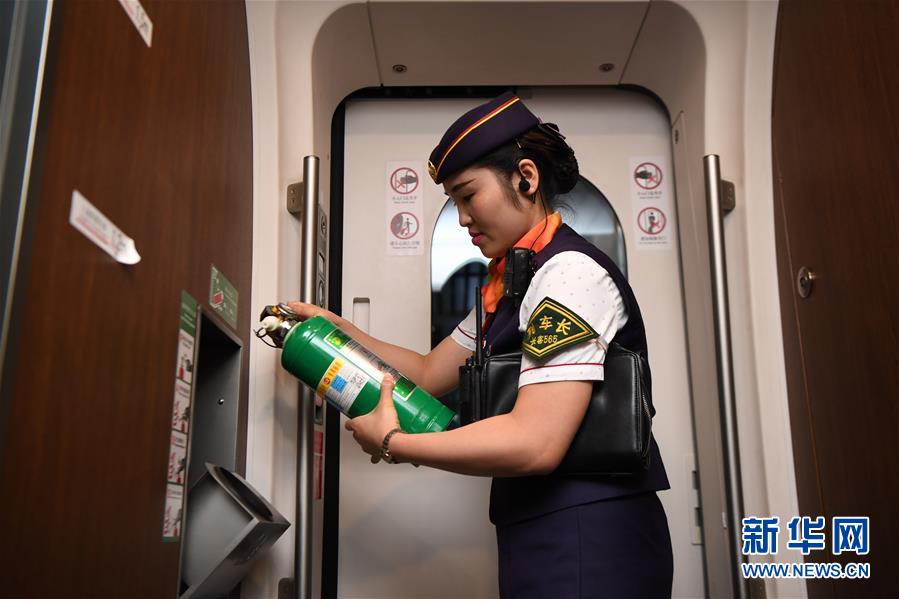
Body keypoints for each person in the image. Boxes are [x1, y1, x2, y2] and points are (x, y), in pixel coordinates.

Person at [288, 92, 673, 598]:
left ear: (526, 178)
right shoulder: (513, 283)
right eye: (455, 202)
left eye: (468, 196)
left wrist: (394, 442)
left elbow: (536, 442)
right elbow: (428, 373)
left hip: (591, 534)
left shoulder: (568, 274)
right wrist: (338, 329)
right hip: (544, 528)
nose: (463, 217)